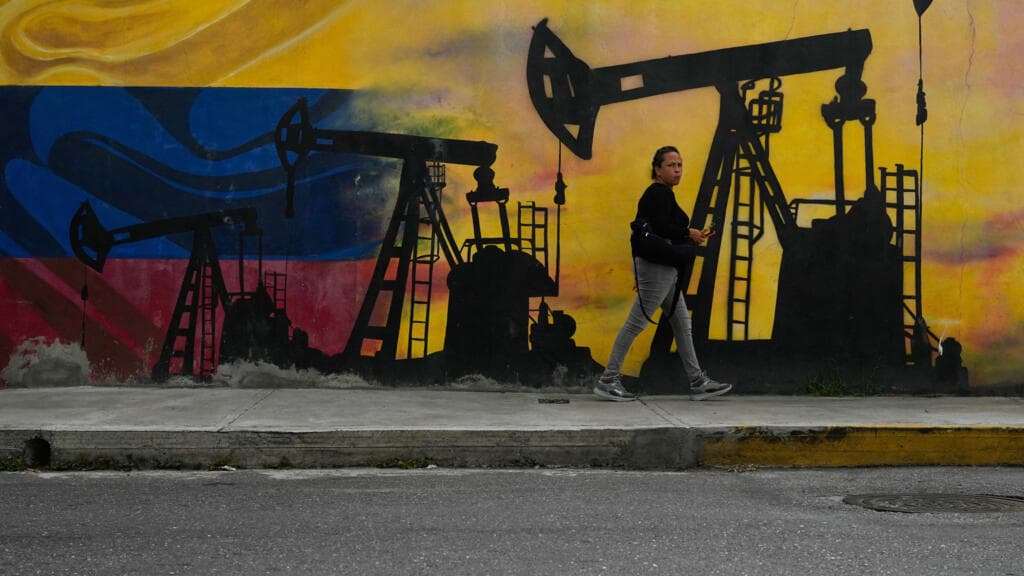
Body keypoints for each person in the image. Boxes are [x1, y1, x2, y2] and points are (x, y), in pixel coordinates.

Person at [594, 146, 733, 402]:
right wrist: (688, 233)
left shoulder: (664, 194)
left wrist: (687, 234)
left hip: (663, 269)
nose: (677, 170)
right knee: (636, 323)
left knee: (682, 325)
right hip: (657, 269)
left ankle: (697, 381)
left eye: (680, 165)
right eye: (671, 165)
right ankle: (608, 379)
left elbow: (658, 228)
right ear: (657, 169)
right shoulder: (657, 193)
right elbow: (661, 228)